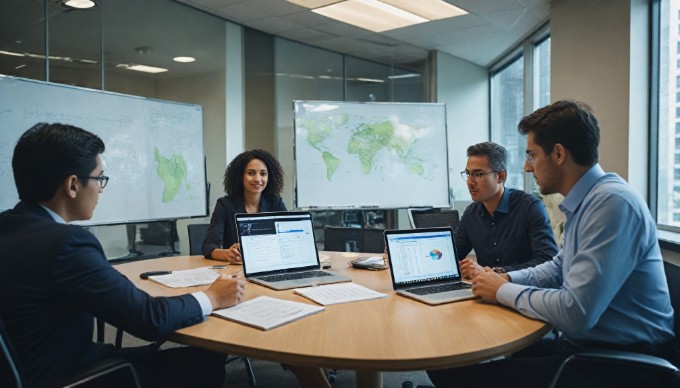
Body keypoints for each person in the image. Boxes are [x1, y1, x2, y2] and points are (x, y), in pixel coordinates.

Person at [0, 123, 330, 388]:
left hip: (32, 366)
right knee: (205, 359)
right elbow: (150, 320)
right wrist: (211, 298)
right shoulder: (67, 244)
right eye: (99, 178)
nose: (101, 187)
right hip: (73, 375)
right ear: (73, 185)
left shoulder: (9, 228)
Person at [427, 100, 675, 387]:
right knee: (448, 361)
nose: (527, 166)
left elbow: (575, 312)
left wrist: (503, 289)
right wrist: (505, 277)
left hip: (619, 364)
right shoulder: (587, 202)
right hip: (587, 347)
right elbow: (557, 268)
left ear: (558, 153)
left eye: (532, 155)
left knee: (455, 374)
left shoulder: (611, 204)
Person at [456, 142, 558, 279]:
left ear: (501, 176)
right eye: (468, 174)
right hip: (486, 293)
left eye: (478, 174)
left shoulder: (530, 207)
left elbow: (546, 261)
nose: (469, 182)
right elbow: (453, 255)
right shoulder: (471, 214)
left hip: (525, 293)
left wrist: (495, 272)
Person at [203, 149, 286, 264]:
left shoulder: (276, 203)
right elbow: (208, 247)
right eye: (251, 173)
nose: (257, 179)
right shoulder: (225, 205)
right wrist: (227, 254)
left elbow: (287, 239)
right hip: (236, 271)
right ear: (240, 176)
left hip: (269, 266)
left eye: (263, 174)